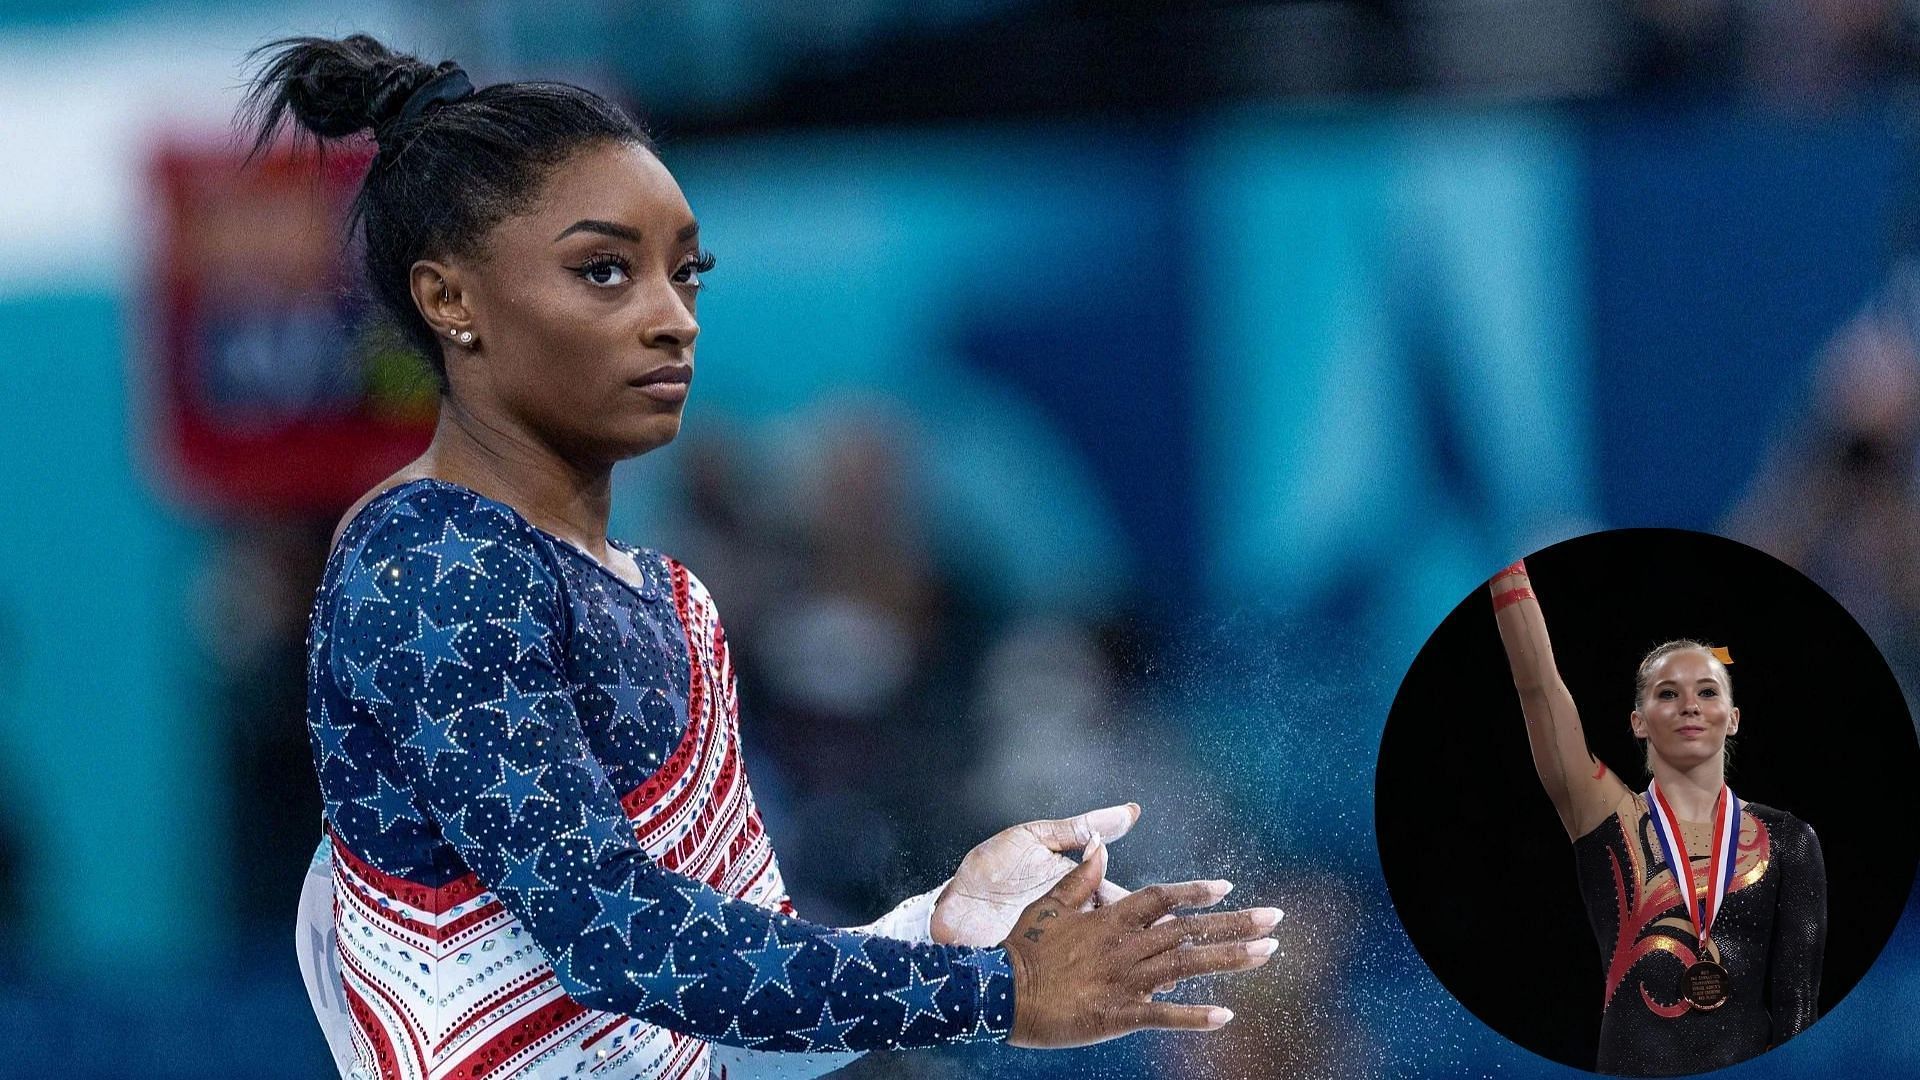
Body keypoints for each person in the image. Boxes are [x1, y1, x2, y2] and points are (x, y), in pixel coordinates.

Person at [243, 34, 1281, 1080]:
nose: (671, 319)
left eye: (684, 271)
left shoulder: (673, 604)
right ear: (451, 300)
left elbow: (733, 1028)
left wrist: (943, 929)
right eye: (604, 271)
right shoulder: (428, 567)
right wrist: (997, 992)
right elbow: (621, 942)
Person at [1489, 560, 1825, 1076]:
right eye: (1668, 693)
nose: (1689, 704)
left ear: (1732, 719)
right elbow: (1538, 685)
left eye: (1708, 691)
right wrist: (1503, 561)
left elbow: (1799, 1012)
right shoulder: (1609, 819)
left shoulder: (1787, 841)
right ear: (1639, 722)